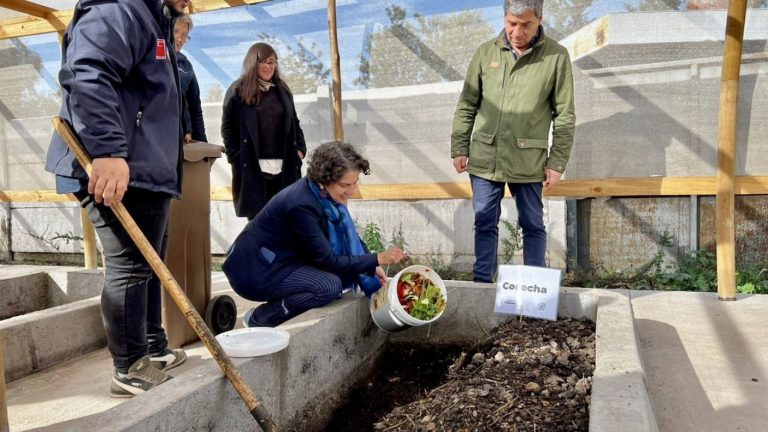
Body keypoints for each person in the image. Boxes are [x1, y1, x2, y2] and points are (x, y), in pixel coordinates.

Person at [45, 0, 189, 398]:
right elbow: (88, 73)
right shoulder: (118, 7)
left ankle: (153, 347)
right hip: (114, 165)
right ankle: (130, 367)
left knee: (150, 260)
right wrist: (108, 151)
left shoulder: (154, 18)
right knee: (129, 265)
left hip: (145, 168)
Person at [451, 0, 575, 282]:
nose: (517, 32)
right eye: (511, 23)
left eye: (526, 24)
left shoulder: (556, 56)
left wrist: (556, 163)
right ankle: (482, 283)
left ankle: (533, 288)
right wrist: (460, 146)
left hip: (529, 159)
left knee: (532, 223)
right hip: (485, 156)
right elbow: (467, 104)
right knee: (484, 221)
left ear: (539, 19)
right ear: (504, 18)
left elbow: (565, 115)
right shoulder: (485, 53)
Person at [222, 142, 407, 327]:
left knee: (339, 277)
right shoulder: (301, 205)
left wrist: (369, 263)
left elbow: (347, 233)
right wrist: (376, 259)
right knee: (327, 287)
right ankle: (261, 318)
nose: (352, 191)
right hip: (255, 271)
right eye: (345, 185)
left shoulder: (322, 194)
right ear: (324, 179)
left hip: (282, 259)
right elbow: (329, 260)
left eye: (355, 183)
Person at [222, 42, 307, 220]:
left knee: (286, 218)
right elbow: (228, 128)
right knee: (259, 221)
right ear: (254, 62)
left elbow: (294, 122)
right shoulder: (237, 91)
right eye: (265, 62)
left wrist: (300, 149)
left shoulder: (282, 90)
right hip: (253, 167)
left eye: (273, 62)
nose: (269, 67)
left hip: (284, 166)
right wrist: (236, 157)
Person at [173, 14, 207, 143]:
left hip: (183, 139)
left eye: (184, 35)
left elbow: (195, 107)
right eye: (176, 31)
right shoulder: (150, 60)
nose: (180, 38)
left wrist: (203, 142)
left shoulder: (186, 66)